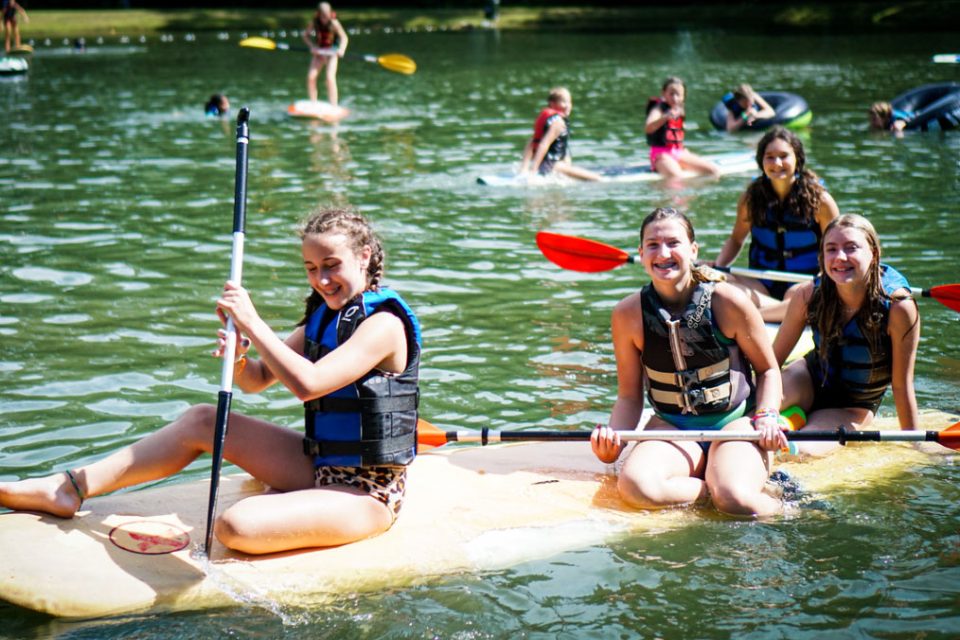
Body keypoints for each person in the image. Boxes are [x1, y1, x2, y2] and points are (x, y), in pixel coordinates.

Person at [0, 208, 422, 555]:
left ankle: (299, 507)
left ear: (364, 256)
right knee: (203, 419)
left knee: (235, 526)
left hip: (368, 494)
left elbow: (309, 384)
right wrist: (239, 357)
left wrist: (253, 322)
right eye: (311, 268)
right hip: (320, 466)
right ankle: (71, 487)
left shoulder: (382, 325)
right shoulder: (323, 318)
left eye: (331, 266)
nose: (321, 280)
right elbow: (257, 380)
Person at [591, 207, 787, 517]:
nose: (663, 252)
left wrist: (767, 416)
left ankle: (785, 507)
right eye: (653, 245)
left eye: (673, 242)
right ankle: (713, 486)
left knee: (735, 499)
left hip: (735, 423)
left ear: (693, 250)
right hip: (673, 427)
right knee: (636, 488)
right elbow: (629, 396)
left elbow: (768, 370)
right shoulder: (627, 314)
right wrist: (614, 439)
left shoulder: (729, 301)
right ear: (641, 254)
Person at [773, 214, 920, 457]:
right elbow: (771, 361)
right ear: (822, 257)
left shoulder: (898, 307)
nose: (840, 257)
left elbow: (902, 385)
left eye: (851, 248)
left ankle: (795, 420)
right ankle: (791, 416)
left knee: (799, 453)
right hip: (809, 377)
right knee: (755, 410)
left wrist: (915, 444)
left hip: (854, 406)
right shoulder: (808, 294)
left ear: (873, 252)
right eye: (831, 249)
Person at [711, 126, 840, 322]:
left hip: (803, 284)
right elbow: (736, 240)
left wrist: (825, 278)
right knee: (716, 283)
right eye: (769, 157)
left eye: (783, 156)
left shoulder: (821, 201)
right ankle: (784, 313)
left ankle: (753, 316)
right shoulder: (751, 198)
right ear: (761, 161)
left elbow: (836, 247)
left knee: (803, 296)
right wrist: (718, 267)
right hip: (761, 285)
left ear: (798, 159)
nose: (777, 163)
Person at [644, 77, 721, 181]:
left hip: (679, 152)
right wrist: (664, 117)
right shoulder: (658, 109)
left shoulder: (679, 109)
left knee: (714, 171)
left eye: (678, 94)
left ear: (683, 96)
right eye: (671, 94)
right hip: (661, 155)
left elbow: (675, 133)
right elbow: (648, 128)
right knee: (677, 178)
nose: (675, 98)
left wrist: (683, 150)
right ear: (663, 93)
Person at [519, 87, 602, 181]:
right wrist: (533, 172)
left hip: (547, 165)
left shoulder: (550, 121)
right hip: (553, 166)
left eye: (569, 102)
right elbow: (543, 144)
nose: (568, 106)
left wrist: (524, 169)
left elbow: (531, 142)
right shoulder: (558, 123)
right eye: (564, 102)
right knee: (598, 179)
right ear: (552, 104)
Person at [302, 2, 348, 106]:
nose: (324, 20)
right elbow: (305, 36)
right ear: (318, 15)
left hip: (332, 53)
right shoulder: (314, 22)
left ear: (330, 14)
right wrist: (312, 46)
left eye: (326, 16)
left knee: (329, 78)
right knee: (311, 77)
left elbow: (344, 38)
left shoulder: (334, 23)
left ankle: (334, 105)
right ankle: (313, 103)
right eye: (323, 17)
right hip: (319, 53)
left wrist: (342, 49)